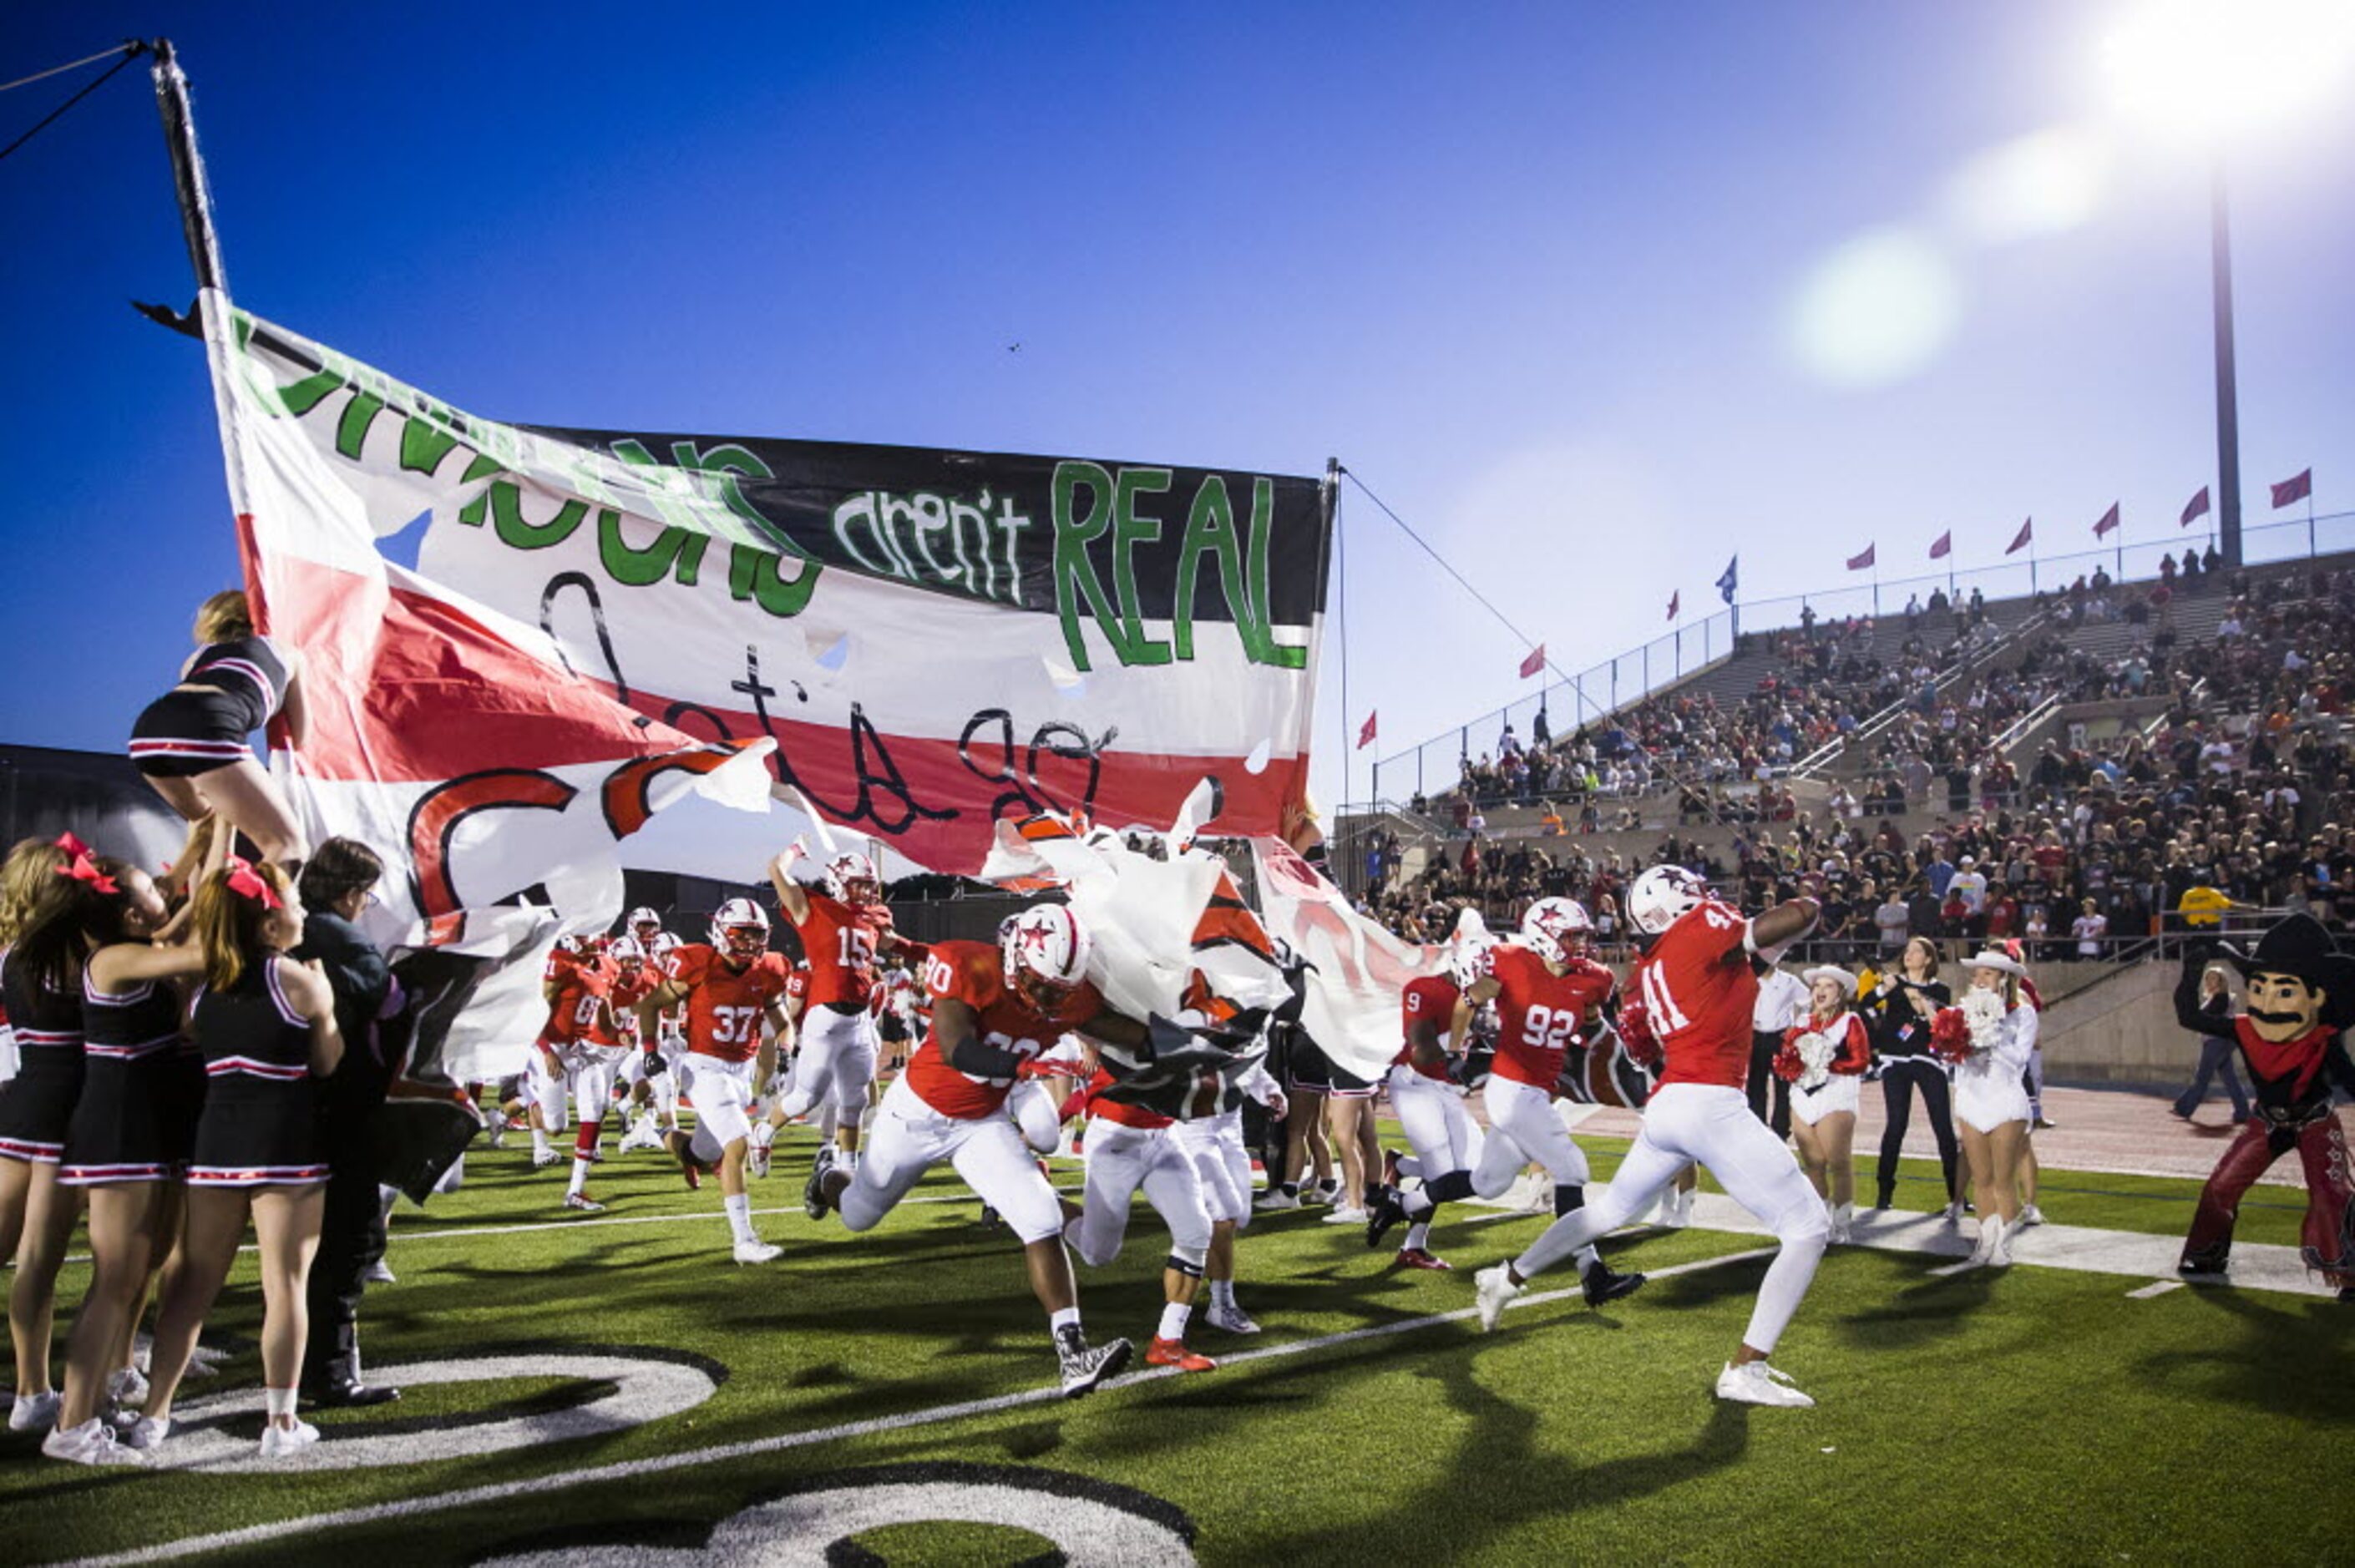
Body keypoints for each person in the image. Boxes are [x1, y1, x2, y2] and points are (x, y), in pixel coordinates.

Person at [1476, 867, 1827, 1408]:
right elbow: (1801, 914)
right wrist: (1805, 896)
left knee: (1609, 1211)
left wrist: (1784, 925)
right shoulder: (1703, 926)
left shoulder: (1653, 965)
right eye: (1694, 890)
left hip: (1668, 1106)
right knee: (1807, 1226)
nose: (1705, 895)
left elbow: (1760, 955)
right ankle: (1745, 1369)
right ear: (1677, 900)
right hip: (1710, 1101)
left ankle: (1507, 1278)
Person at [803, 905, 1142, 1397]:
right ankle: (828, 1176)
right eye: (1039, 981)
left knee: (1040, 1218)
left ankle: (1072, 1355)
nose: (1047, 997)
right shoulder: (968, 965)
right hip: (915, 1115)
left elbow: (1139, 1036)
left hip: (980, 1122)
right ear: (1014, 957)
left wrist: (1207, 1043)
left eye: (1058, 989)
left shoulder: (1072, 997)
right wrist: (1023, 1069)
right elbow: (958, 1047)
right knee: (857, 1215)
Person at [139, 860, 343, 1459]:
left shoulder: (203, 987)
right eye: (294, 903)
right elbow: (327, 1062)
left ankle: (153, 1415)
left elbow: (192, 1035)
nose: (303, 912)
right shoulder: (296, 981)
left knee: (190, 1286)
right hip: (286, 1148)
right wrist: (328, 1007)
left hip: (217, 1147)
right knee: (285, 1286)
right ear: (269, 920)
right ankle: (280, 1425)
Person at [38, 844, 211, 1465]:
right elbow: (201, 944)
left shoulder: (140, 948)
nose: (162, 892)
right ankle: (71, 1427)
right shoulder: (113, 959)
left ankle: (105, 1388)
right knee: (113, 1282)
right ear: (131, 913)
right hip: (118, 1132)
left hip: (150, 1129)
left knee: (140, 1270)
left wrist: (214, 833)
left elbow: (180, 914)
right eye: (149, 892)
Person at [1449, 900, 1645, 1305]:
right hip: (1511, 1088)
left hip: (1539, 1089)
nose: (1580, 945)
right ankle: (1592, 1273)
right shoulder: (1510, 961)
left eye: (1582, 937)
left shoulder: (1593, 979)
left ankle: (1407, 1198)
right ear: (1544, 934)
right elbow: (1468, 1000)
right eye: (1571, 936)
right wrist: (1456, 1049)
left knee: (1489, 1183)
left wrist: (1615, 1054)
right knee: (1573, 1168)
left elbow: (1591, 1025)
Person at [2173, 916, 2355, 1298]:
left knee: (2331, 1192)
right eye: (2260, 988)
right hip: (2267, 1120)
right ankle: (2205, 1254)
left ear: (2317, 997)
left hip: (2315, 1120)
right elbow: (2190, 1017)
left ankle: (2349, 1272)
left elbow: (2351, 1082)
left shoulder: (2324, 1038)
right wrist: (2191, 973)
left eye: (2284, 992)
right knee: (2222, 1185)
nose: (2269, 1004)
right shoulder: (2243, 1028)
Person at [288, 838, 403, 1409]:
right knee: (346, 1243)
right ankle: (326, 1373)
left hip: (258, 1102)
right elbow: (385, 998)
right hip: (337, 1101)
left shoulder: (289, 925)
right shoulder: (337, 936)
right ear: (353, 891)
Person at [632, 898, 793, 1263]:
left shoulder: (769, 970)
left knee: (702, 1153)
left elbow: (784, 1024)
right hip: (704, 1067)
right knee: (738, 1143)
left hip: (742, 1071)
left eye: (756, 936)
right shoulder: (699, 962)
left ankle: (651, 1133)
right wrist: (649, 1049)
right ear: (721, 932)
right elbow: (650, 1005)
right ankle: (744, 1241)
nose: (750, 944)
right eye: (742, 934)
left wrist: (785, 1049)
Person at [753, 844, 907, 1176]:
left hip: (861, 1021)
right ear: (838, 882)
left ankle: (847, 1168)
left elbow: (893, 943)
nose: (866, 891)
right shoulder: (814, 908)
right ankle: (764, 1132)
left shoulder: (875, 916)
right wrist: (793, 850)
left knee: (855, 1102)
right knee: (806, 1097)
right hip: (824, 1016)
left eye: (870, 884)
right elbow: (775, 869)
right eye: (858, 884)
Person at [127, 590, 310, 868]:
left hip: (149, 731)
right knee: (288, 845)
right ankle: (265, 910)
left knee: (205, 823)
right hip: (210, 725)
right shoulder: (288, 653)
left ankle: (202, 908)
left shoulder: (195, 659)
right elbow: (301, 737)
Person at [1067, 1055, 1221, 1372]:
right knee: (1098, 1254)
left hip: (1163, 1135)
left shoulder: (1188, 1010)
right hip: (1115, 1133)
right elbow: (1089, 1013)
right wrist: (1089, 1040)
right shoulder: (1129, 1008)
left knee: (1196, 1232)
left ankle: (1168, 1341)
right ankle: (1042, 1201)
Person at [1364, 942, 1484, 1271]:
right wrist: (1460, 1055)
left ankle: (1401, 1172)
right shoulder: (1425, 990)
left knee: (1477, 1173)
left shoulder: (1475, 996)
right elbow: (1422, 1052)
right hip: (1415, 1084)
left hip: (1444, 1089)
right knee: (1442, 1176)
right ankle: (1413, 1246)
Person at [1949, 950, 2038, 1267]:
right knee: (1982, 1179)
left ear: (2004, 978)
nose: (1980, 980)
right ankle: (1984, 1245)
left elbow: (2019, 1060)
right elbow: (1954, 1058)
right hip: (1973, 1098)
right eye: (1977, 974)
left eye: (1988, 974)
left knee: (2003, 1179)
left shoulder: (2022, 1014)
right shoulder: (1961, 1012)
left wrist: (1991, 1034)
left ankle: (2003, 1245)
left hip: (2004, 1097)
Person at [1775, 966, 1871, 1243]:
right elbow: (1787, 1057)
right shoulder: (1802, 1021)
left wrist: (1826, 1064)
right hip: (1803, 1096)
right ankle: (1820, 1221)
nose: (1821, 990)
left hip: (1836, 1095)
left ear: (1840, 993)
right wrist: (1792, 1066)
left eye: (1828, 986)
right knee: (1813, 1163)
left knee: (1838, 1161)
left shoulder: (1850, 1021)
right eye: (1818, 985)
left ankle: (1841, 1225)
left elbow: (1861, 1061)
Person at [1866, 937, 1959, 1215]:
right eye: (1907, 951)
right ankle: (1884, 1193)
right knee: (1896, 1125)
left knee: (1943, 1126)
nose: (1909, 955)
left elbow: (1942, 1025)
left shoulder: (1940, 989)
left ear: (1928, 959)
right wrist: (1884, 988)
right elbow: (1866, 1006)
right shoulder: (1894, 984)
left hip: (1928, 1060)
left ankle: (1956, 1194)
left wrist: (1922, 1004)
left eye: (1916, 951)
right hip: (1896, 1060)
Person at [2171, 964, 2251, 1123]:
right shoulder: (2215, 998)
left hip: (2217, 1042)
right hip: (2221, 1041)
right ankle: (2243, 1111)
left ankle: (2184, 1108)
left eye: (2213, 978)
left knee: (2202, 1076)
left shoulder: (2221, 998)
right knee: (2230, 1079)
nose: (2209, 981)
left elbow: (2207, 1018)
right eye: (2207, 978)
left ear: (2222, 981)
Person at [1747, 961, 1807, 1142]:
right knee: (1756, 1085)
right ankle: (1758, 1127)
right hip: (1755, 1036)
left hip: (1780, 1037)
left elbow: (1807, 1002)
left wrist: (1797, 1027)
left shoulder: (1789, 981)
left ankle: (1781, 1130)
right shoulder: (1748, 979)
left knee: (1783, 1086)